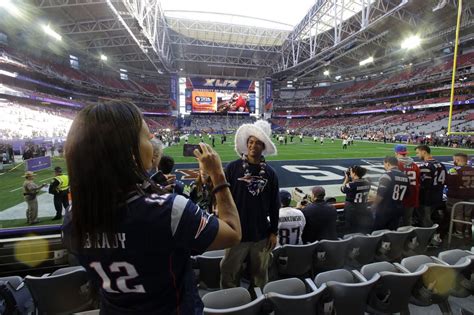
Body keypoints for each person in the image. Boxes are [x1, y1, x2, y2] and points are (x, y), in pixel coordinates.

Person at [62, 101, 241, 314]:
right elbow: (232, 232)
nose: (152, 141)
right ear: (129, 151)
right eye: (147, 137)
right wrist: (218, 174)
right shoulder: (168, 211)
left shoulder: (73, 219)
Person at [220, 120, 280, 290]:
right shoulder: (232, 168)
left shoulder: (270, 173)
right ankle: (231, 303)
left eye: (258, 143)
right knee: (229, 273)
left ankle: (258, 303)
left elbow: (275, 205)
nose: (253, 146)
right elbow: (223, 199)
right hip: (236, 233)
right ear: (246, 145)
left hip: (261, 233)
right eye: (251, 142)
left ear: (263, 147)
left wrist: (274, 231)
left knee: (260, 276)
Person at [372, 156, 409, 230]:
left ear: (388, 164)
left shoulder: (387, 175)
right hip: (398, 209)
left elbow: (380, 195)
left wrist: (374, 205)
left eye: (384, 164)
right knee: (392, 233)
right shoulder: (405, 176)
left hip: (385, 209)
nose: (384, 166)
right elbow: (407, 195)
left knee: (379, 232)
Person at [415, 144, 447, 227]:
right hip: (438, 195)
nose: (417, 155)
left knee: (425, 219)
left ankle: (428, 237)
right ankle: (438, 233)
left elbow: (424, 184)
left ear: (424, 152)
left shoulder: (425, 166)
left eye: (418, 153)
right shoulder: (441, 165)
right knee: (434, 217)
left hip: (427, 197)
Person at [446, 153, 474, 238]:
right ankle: (467, 231)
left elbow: (448, 182)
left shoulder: (454, 170)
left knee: (458, 214)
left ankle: (459, 232)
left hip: (457, 196)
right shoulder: (473, 169)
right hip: (471, 195)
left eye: (454, 159)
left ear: (457, 160)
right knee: (468, 215)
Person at [340, 165, 372, 233]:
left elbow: (342, 189)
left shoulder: (351, 185)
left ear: (354, 173)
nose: (350, 173)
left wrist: (346, 179)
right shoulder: (368, 183)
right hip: (363, 208)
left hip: (352, 211)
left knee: (350, 230)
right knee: (360, 229)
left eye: (351, 172)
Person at [395, 144, 420, 226]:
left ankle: (398, 237)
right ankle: (408, 237)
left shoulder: (397, 165)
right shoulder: (415, 165)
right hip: (412, 194)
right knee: (408, 219)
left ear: (396, 153)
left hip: (399, 195)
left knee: (396, 220)